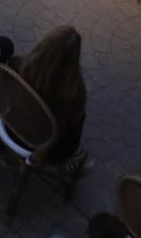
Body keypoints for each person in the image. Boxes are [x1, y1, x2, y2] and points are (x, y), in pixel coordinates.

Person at [15, 24, 88, 163]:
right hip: (43, 149)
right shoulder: (74, 94)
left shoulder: (18, 66)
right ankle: (72, 164)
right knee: (78, 118)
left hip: (11, 126)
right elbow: (65, 130)